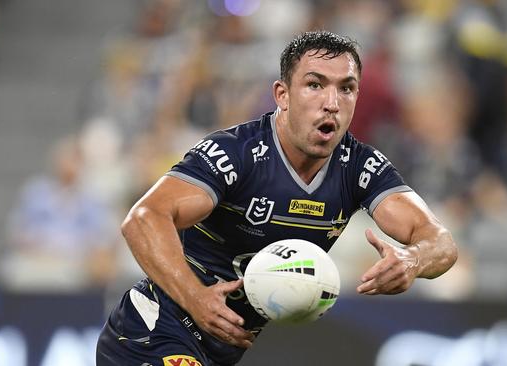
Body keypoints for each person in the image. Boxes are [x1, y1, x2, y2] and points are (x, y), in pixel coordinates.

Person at [96, 30, 458, 366]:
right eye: (315, 85)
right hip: (150, 334)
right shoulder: (235, 153)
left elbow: (440, 241)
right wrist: (194, 297)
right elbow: (143, 218)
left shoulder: (360, 167)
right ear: (282, 95)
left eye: (346, 88)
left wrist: (412, 260)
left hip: (219, 352)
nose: (331, 102)